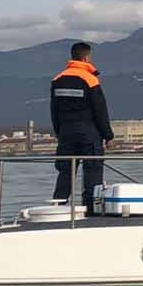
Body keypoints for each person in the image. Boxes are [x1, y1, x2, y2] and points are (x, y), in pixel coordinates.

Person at [51, 41, 113, 207]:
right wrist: (108, 135)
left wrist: (60, 133)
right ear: (87, 57)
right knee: (92, 171)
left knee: (65, 172)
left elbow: (54, 111)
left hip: (65, 132)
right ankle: (90, 210)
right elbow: (100, 111)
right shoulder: (90, 80)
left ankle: (58, 207)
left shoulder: (58, 79)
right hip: (88, 131)